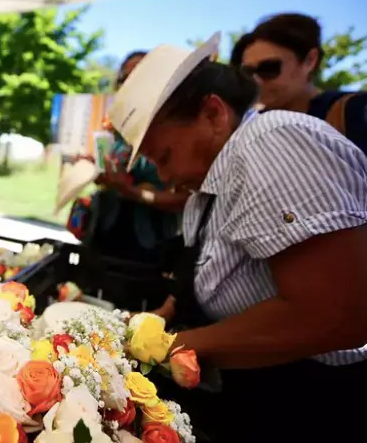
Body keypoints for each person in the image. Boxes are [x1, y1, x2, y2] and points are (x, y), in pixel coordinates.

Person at [108, 34, 367, 442]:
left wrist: (170, 346)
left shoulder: (271, 142)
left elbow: (335, 313)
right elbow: (222, 274)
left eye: (165, 156)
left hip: (312, 408)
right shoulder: (211, 184)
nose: (164, 176)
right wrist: (156, 319)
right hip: (256, 400)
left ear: (213, 113)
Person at [84, 51, 189, 263]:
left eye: (140, 76)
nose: (130, 84)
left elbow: (186, 200)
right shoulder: (117, 127)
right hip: (103, 232)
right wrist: (95, 170)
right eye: (125, 78)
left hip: (149, 245)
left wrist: (131, 191)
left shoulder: (178, 128)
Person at [231, 12, 367, 153]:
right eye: (248, 72)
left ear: (310, 60)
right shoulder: (249, 127)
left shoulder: (354, 111)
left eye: (269, 68)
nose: (256, 80)